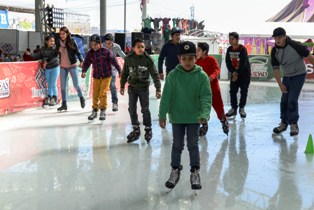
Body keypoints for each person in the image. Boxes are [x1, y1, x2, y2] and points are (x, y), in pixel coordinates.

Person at [159, 41, 212, 190]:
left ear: (196, 58)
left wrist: (204, 113)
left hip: (194, 117)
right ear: (179, 58)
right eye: (184, 58)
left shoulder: (202, 76)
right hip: (177, 117)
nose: (187, 62)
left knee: (193, 145)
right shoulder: (173, 76)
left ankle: (195, 172)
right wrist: (162, 115)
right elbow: (166, 97)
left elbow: (206, 97)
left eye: (190, 58)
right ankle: (175, 170)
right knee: (177, 145)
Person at [271, 27, 314, 136]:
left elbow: (309, 56)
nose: (277, 39)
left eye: (280, 37)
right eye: (275, 37)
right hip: (287, 76)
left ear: (284, 36)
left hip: (299, 74)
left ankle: (293, 124)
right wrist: (280, 84)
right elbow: (275, 69)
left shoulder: (295, 45)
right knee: (284, 100)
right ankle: (283, 123)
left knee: (292, 99)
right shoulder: (275, 51)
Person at [120, 38, 161, 143]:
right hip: (132, 88)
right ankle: (136, 129)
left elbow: (155, 74)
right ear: (133, 48)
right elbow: (124, 73)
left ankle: (148, 129)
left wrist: (158, 88)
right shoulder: (129, 59)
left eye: (142, 47)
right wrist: (122, 86)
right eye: (138, 47)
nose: (141, 49)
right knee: (131, 109)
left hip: (143, 88)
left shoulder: (148, 59)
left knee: (145, 109)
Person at [81, 34, 121, 121]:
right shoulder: (90, 53)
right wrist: (84, 71)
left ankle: (103, 110)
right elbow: (87, 63)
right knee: (95, 94)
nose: (94, 46)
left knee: (103, 93)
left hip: (106, 76)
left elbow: (115, 62)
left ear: (99, 43)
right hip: (96, 77)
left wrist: (119, 71)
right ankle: (94, 110)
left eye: (95, 44)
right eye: (92, 44)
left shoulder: (106, 52)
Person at [196, 42, 229, 136]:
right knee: (202, 109)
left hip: (214, 90)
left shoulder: (211, 59)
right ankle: (204, 125)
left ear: (204, 51)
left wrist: (212, 76)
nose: (197, 52)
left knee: (219, 108)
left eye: (198, 50)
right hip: (202, 91)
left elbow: (217, 70)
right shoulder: (197, 62)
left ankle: (223, 121)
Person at [55, 26, 85, 112]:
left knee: (76, 85)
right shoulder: (58, 42)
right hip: (63, 66)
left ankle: (81, 97)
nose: (62, 35)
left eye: (63, 34)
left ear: (67, 34)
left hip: (72, 66)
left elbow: (78, 52)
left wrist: (82, 61)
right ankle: (64, 104)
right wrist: (46, 60)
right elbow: (54, 52)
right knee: (63, 87)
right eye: (60, 34)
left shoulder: (72, 41)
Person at [27, 34, 60, 106]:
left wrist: (46, 61)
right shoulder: (43, 49)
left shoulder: (55, 49)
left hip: (55, 67)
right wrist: (29, 54)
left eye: (53, 41)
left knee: (53, 83)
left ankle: (55, 98)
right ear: (47, 42)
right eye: (51, 41)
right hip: (48, 68)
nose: (52, 43)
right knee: (49, 83)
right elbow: (37, 55)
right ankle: (49, 97)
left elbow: (55, 58)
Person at [225, 32, 251, 119]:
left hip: (244, 74)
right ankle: (233, 108)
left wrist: (237, 73)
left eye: (232, 39)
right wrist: (233, 72)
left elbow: (243, 63)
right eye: (230, 39)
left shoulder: (242, 49)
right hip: (234, 73)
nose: (230, 41)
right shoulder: (229, 49)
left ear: (237, 39)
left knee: (244, 91)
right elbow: (228, 62)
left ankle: (242, 108)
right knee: (232, 91)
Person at [103, 33, 126, 112]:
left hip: (113, 69)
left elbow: (123, 56)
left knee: (112, 85)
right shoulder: (102, 46)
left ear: (112, 41)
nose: (107, 44)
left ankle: (115, 102)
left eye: (109, 43)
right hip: (104, 69)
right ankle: (102, 103)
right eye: (106, 43)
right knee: (102, 86)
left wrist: (129, 61)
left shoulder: (116, 47)